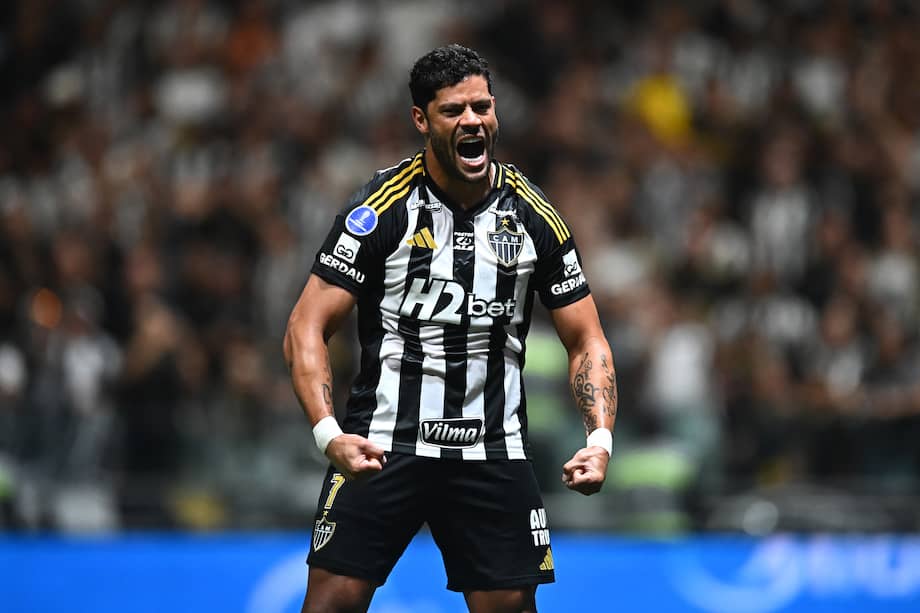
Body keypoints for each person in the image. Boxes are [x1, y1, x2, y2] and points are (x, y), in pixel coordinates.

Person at [283, 44, 618, 613]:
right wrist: (328, 434)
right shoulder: (381, 209)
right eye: (454, 111)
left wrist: (600, 439)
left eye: (482, 107)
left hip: (493, 447)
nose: (473, 121)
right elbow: (305, 327)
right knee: (330, 604)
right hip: (385, 442)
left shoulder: (533, 216)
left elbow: (587, 338)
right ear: (422, 120)